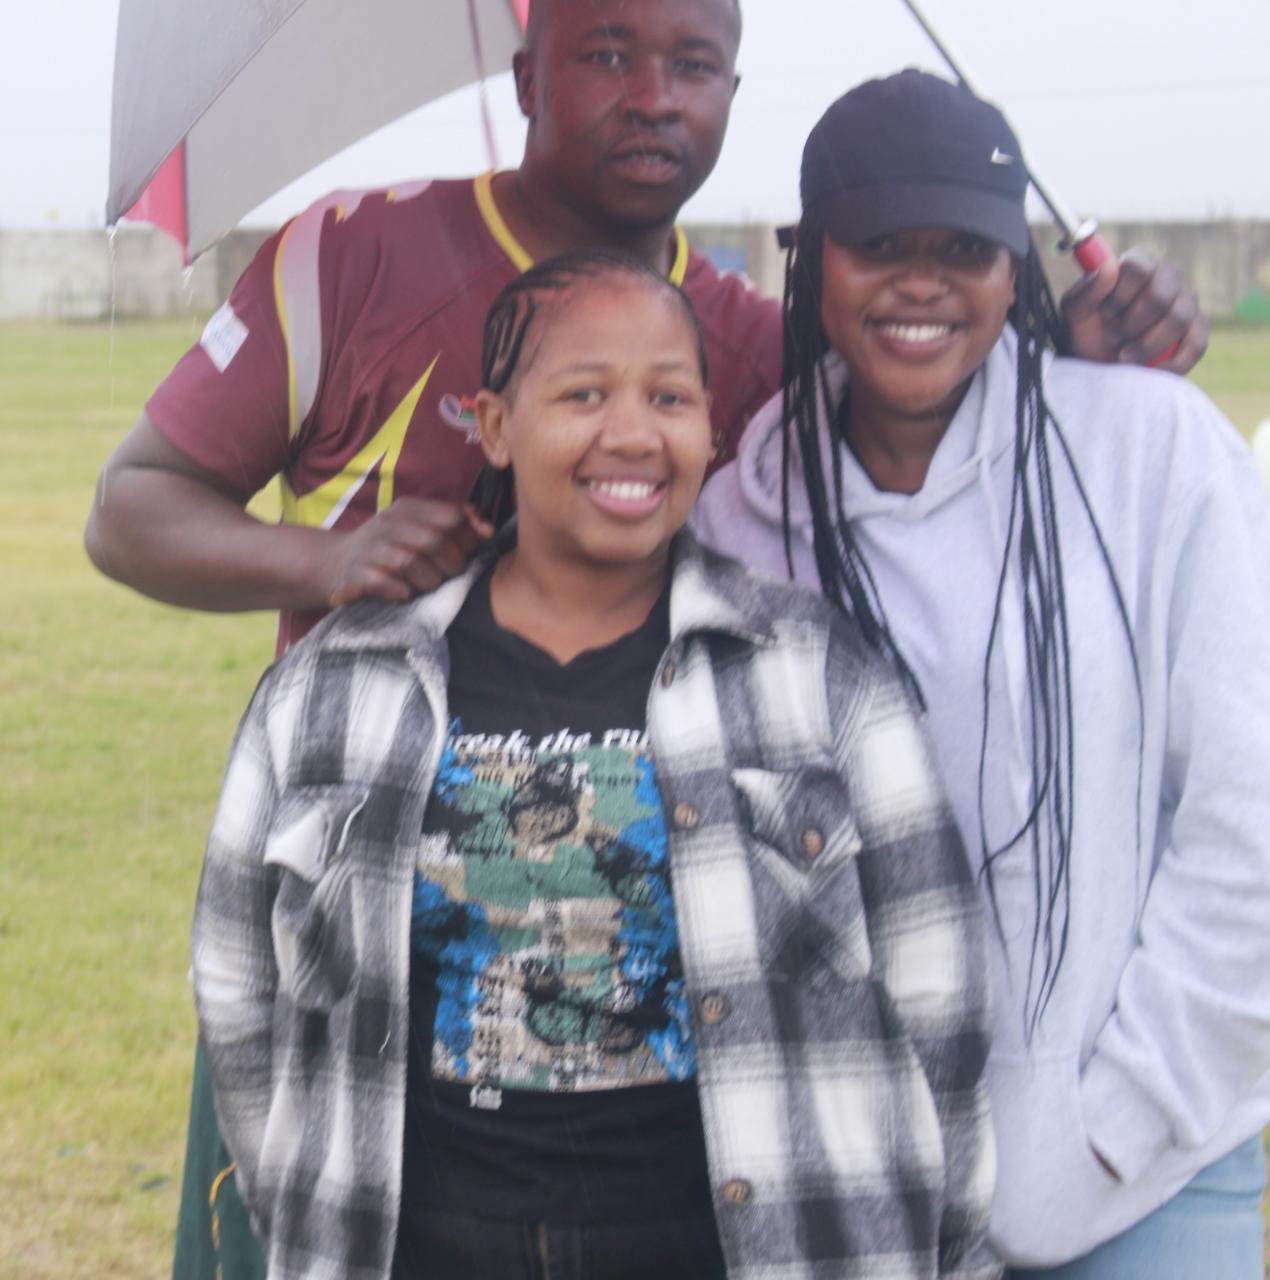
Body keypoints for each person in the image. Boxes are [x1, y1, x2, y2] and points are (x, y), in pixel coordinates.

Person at [81, 2, 1209, 1271]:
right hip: (366, 943)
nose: (654, 96)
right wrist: (324, 559)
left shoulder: (747, 341)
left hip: (669, 1009)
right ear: (526, 76)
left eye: (693, 65)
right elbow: (129, 508)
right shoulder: (351, 253)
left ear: (735, 88)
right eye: (607, 53)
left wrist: (1064, 354)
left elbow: (924, 436)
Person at [193, 250, 998, 1280]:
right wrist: (316, 1206)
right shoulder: (334, 689)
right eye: (582, 393)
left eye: (669, 395)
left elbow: (939, 996)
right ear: (493, 423)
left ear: (711, 428)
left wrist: (954, 1248)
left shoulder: (814, 676)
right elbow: (240, 993)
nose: (632, 431)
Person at [693, 69, 1270, 1279]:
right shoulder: (737, 527)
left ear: (1018, 270)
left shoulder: (1152, 452)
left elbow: (1248, 813)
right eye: (877, 242)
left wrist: (1121, 1118)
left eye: (964, 246)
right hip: (860, 1178)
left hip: (1150, 1154)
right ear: (810, 261)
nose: (921, 280)